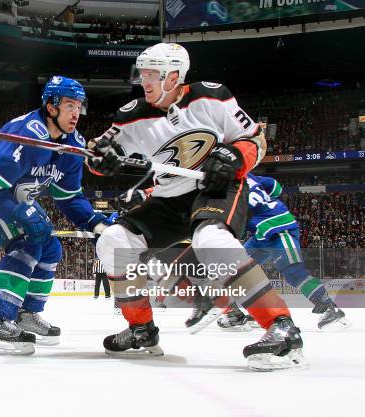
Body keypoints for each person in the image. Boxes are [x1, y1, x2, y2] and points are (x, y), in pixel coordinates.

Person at [87, 42, 305, 370]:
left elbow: (256, 141)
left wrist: (233, 157)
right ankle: (141, 329)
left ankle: (281, 328)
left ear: (174, 76)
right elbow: (99, 151)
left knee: (211, 241)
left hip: (215, 188)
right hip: (168, 198)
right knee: (114, 241)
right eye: (142, 73)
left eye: (152, 74)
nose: (143, 81)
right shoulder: (130, 115)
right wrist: (100, 159)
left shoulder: (212, 98)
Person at [0, 76, 112, 355]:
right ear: (51, 107)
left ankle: (27, 314)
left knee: (51, 246)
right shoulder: (26, 135)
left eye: (79, 105)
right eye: (69, 105)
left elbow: (69, 197)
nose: (76, 112)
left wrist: (95, 223)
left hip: (14, 190)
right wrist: (21, 211)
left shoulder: (73, 144)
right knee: (26, 243)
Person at [217, 174, 349, 331]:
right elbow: (275, 187)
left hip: (280, 229)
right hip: (261, 236)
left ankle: (330, 308)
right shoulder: (249, 176)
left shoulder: (222, 190)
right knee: (234, 270)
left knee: (293, 272)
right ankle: (240, 313)